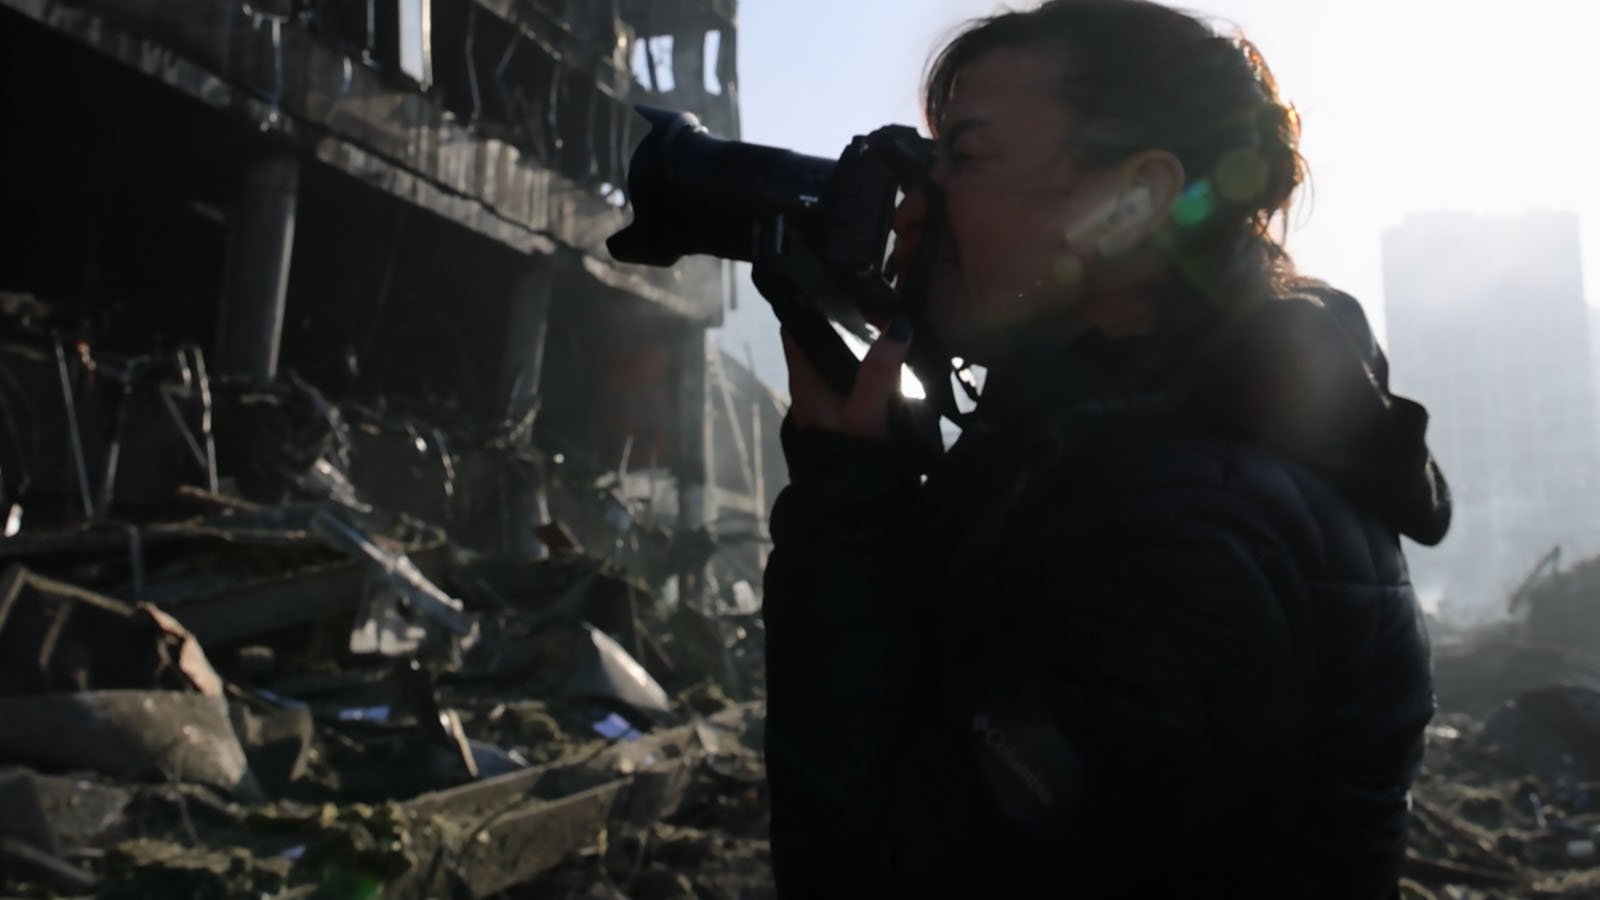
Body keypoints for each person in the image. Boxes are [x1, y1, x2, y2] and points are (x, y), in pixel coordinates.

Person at [760, 1, 1451, 897]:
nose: (910, 213)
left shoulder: (1194, 532)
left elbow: (877, 875)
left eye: (963, 159)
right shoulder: (1099, 442)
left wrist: (845, 509)